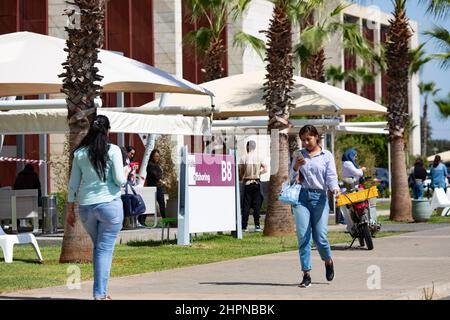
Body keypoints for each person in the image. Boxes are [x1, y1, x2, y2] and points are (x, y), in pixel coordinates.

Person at [66, 115, 130, 300]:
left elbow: (73, 184)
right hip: (110, 206)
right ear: (108, 130)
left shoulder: (80, 153)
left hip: (86, 208)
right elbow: (119, 180)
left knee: (99, 248)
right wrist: (126, 173)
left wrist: (70, 210)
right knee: (103, 249)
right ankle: (100, 294)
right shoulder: (113, 150)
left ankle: (100, 292)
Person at [289, 125, 340, 288]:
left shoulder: (327, 156)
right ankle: (306, 274)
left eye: (308, 139)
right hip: (302, 197)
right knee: (303, 236)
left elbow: (331, 176)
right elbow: (291, 177)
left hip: (320, 198)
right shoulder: (298, 155)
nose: (305, 143)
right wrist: (296, 167)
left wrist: (335, 189)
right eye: (303, 140)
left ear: (316, 137)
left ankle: (328, 260)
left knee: (320, 237)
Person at [238, 140, 267, 232]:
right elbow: (265, 168)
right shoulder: (259, 157)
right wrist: (259, 173)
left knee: (246, 205)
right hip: (257, 182)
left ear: (247, 147)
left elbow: (241, 172)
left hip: (247, 183)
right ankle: (257, 225)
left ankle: (244, 226)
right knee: (257, 205)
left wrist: (241, 178)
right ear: (254, 147)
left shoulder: (243, 158)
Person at [340, 148, 366, 231]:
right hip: (349, 189)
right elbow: (357, 173)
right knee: (348, 210)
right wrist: (361, 170)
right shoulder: (347, 163)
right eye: (354, 156)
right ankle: (351, 227)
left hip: (353, 187)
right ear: (350, 155)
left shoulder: (348, 163)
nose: (355, 158)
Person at [145, 149, 166, 223]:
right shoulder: (150, 165)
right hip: (153, 188)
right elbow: (155, 175)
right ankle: (141, 220)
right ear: (152, 156)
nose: (157, 158)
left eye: (158, 156)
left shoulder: (157, 165)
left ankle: (165, 221)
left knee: (162, 205)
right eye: (155, 156)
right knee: (149, 205)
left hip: (159, 187)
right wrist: (162, 181)